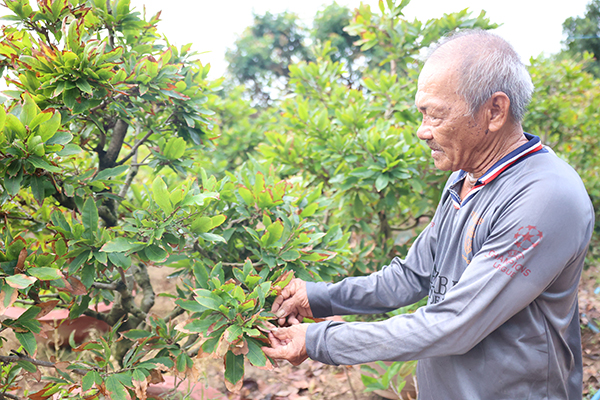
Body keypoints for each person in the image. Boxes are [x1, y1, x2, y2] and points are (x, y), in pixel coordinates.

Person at [261, 29, 595, 399]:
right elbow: (413, 275)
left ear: (494, 111)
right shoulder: (464, 178)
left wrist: (320, 340)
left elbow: (454, 325)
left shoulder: (545, 197)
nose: (422, 131)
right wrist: (318, 297)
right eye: (421, 114)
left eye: (435, 115)